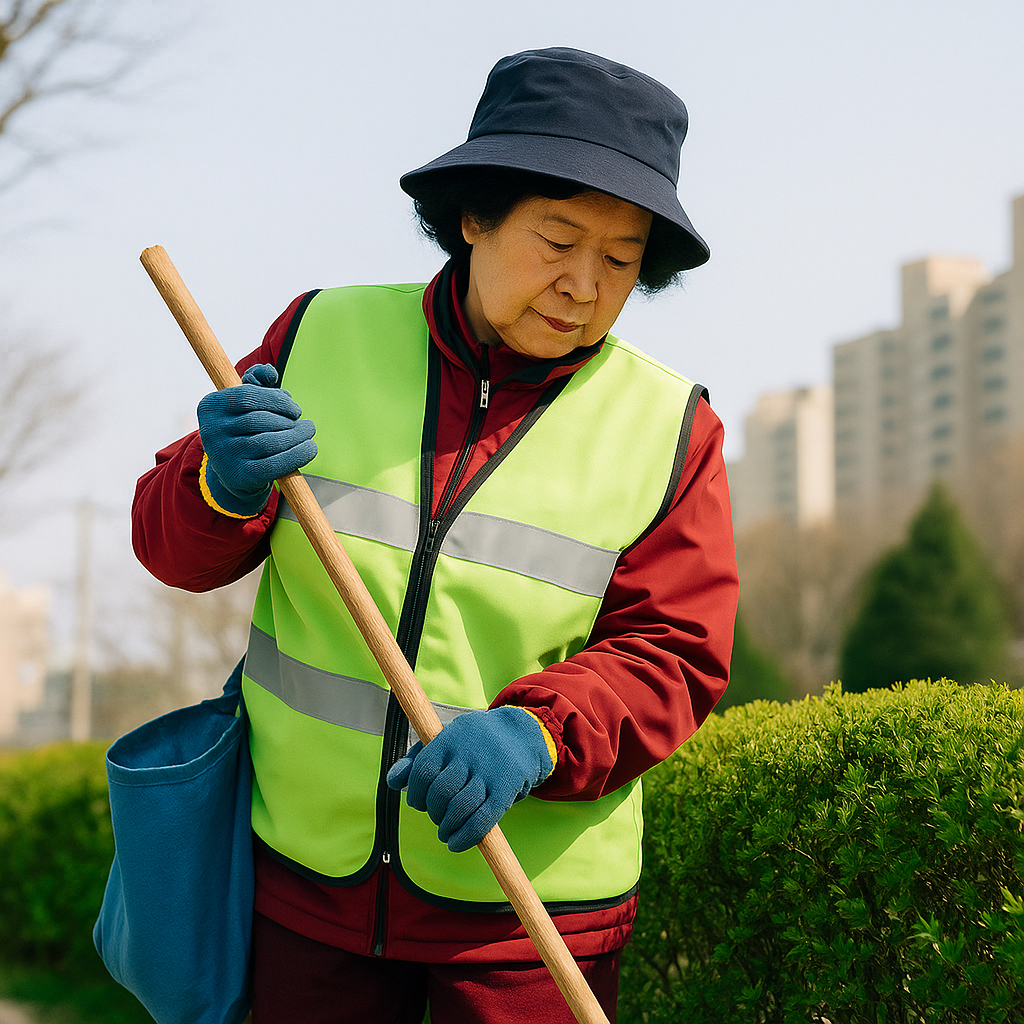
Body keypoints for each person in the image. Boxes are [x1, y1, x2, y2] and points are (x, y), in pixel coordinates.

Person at [132, 47, 738, 1024]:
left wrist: (536, 731)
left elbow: (676, 652)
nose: (584, 283)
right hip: (302, 895)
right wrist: (219, 483)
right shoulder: (318, 334)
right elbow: (170, 550)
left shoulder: (671, 427)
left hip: (528, 927)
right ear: (473, 216)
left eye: (620, 259)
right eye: (556, 239)